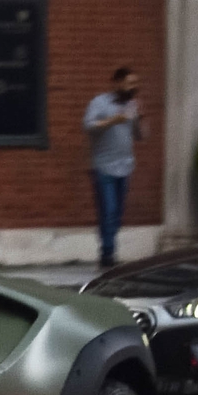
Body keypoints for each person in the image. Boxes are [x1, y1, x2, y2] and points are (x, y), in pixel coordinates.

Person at [83, 67, 142, 267]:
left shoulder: (132, 105)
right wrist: (113, 120)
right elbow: (89, 125)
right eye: (129, 83)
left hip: (125, 166)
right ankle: (107, 254)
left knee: (117, 213)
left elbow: (140, 136)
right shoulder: (99, 102)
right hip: (104, 166)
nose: (133, 87)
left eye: (135, 83)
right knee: (108, 210)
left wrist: (140, 119)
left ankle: (108, 247)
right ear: (117, 83)